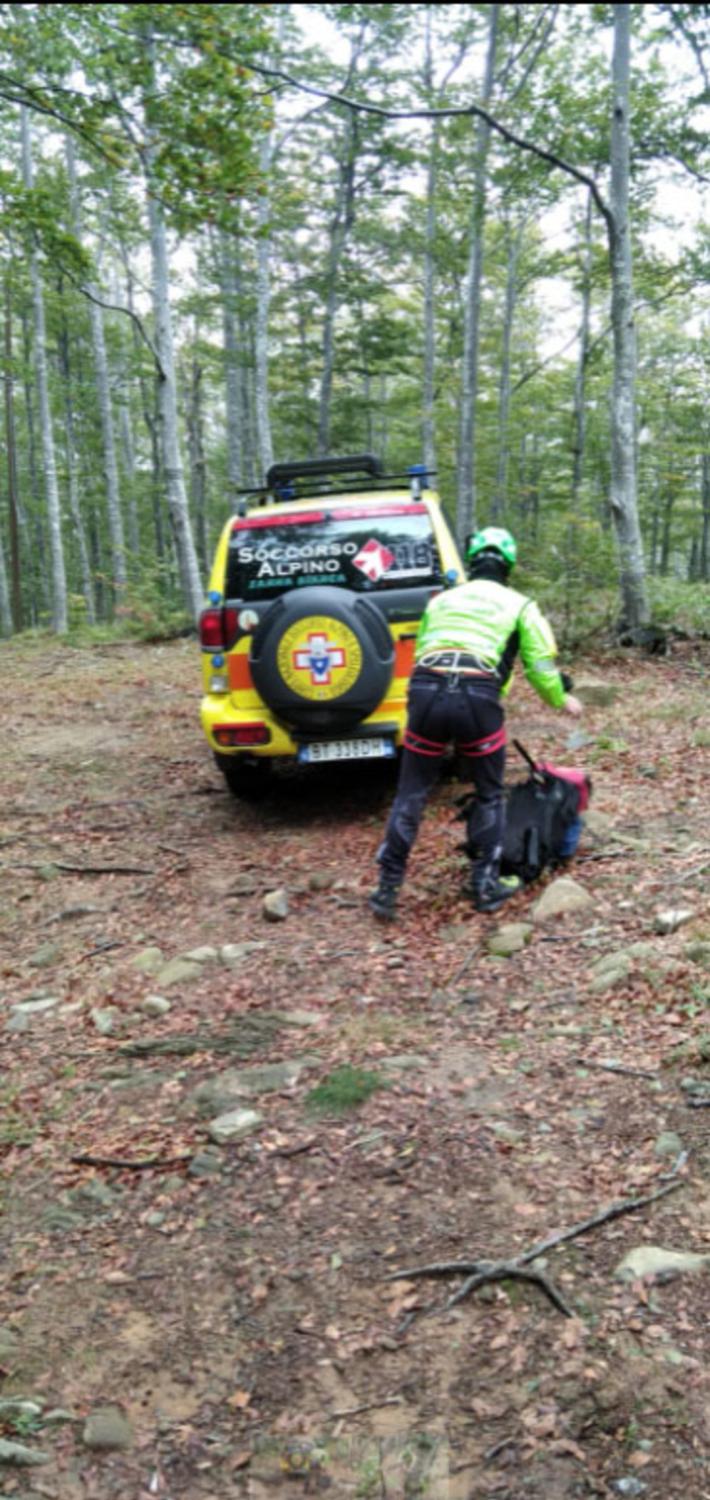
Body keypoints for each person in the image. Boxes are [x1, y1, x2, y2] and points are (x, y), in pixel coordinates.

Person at [369, 525, 583, 919]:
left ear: (471, 563)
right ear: (510, 565)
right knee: (488, 793)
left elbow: (422, 652)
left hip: (426, 691)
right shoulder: (520, 605)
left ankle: (387, 888)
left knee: (411, 792)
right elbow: (538, 665)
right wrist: (560, 698)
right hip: (477, 696)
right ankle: (483, 886)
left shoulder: (442, 601)